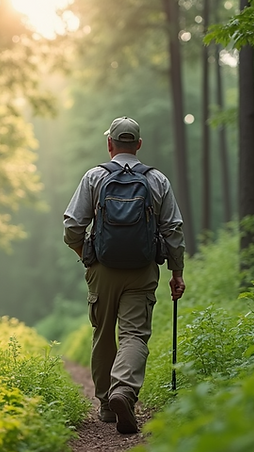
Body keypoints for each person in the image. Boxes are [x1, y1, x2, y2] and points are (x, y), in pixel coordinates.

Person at [63, 116, 186, 434]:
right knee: (134, 335)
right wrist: (177, 272)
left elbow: (72, 227)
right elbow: (172, 229)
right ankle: (124, 391)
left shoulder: (94, 177)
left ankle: (106, 403)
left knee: (103, 333)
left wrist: (86, 256)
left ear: (110, 144)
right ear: (139, 145)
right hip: (142, 270)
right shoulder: (157, 180)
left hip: (102, 269)